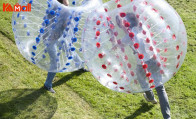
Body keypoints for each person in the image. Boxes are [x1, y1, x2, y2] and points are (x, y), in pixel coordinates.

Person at [115, 13, 171, 119]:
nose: (121, 24)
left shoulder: (128, 37)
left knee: (142, 80)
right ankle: (167, 117)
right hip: (154, 59)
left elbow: (118, 44)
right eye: (119, 22)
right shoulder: (142, 28)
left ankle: (150, 96)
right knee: (160, 87)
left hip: (143, 63)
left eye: (122, 21)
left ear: (127, 23)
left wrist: (114, 40)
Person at [44, 0, 86, 93]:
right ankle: (47, 85)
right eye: (66, 2)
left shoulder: (58, 8)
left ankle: (79, 65)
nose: (68, 3)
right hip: (50, 40)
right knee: (55, 62)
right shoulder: (59, 11)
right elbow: (64, 24)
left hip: (57, 37)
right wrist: (72, 18)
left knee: (69, 50)